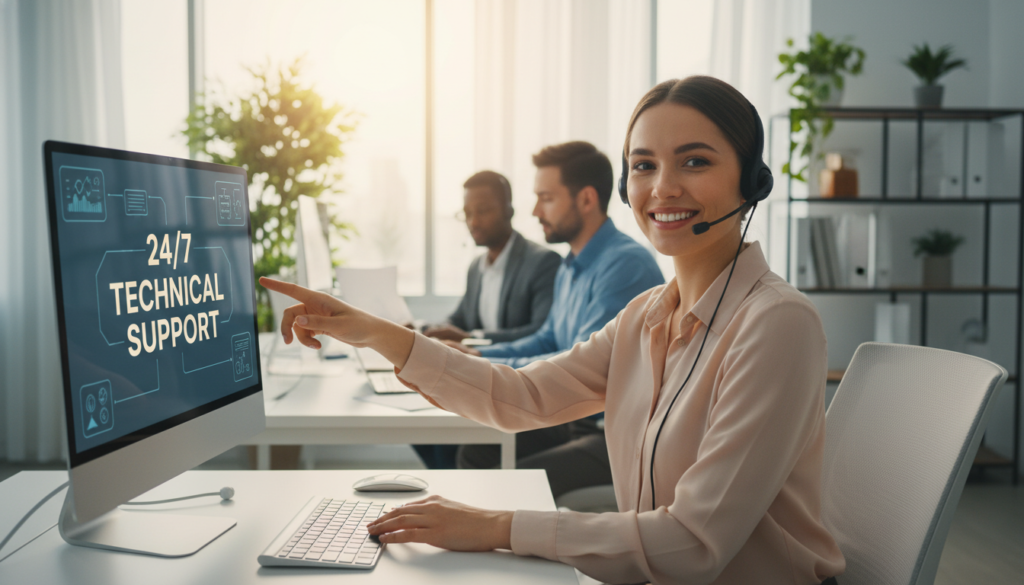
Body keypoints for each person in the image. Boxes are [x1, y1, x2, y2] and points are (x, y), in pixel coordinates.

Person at [262, 76, 844, 585]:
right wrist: (373, 331)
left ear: (753, 181)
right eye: (643, 166)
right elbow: (522, 398)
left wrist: (494, 527)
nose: (662, 187)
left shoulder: (776, 326)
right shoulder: (645, 317)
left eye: (694, 161)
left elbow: (693, 545)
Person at [446, 142, 663, 494]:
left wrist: (492, 368)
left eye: (545, 198)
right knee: (478, 450)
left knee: (508, 483)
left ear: (586, 200)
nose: (533, 211)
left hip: (611, 435)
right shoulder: (570, 264)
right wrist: (480, 356)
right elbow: (547, 340)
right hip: (573, 418)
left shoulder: (625, 266)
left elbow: (581, 369)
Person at [424, 170, 560, 344]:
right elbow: (458, 321)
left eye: (482, 211)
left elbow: (541, 332)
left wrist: (474, 338)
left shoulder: (543, 262)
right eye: (467, 213)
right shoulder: (476, 267)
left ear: (508, 210)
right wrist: (424, 330)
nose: (473, 222)